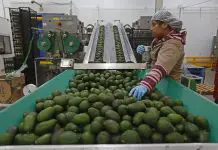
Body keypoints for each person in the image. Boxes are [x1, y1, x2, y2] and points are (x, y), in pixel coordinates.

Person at [129, 10, 187, 100]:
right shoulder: (162, 39)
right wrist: (145, 49)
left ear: (164, 24)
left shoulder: (173, 43)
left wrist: (145, 84)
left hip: (170, 86)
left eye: (153, 24)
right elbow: (157, 54)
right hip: (159, 81)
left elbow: (161, 67)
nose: (151, 29)